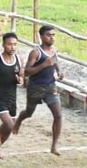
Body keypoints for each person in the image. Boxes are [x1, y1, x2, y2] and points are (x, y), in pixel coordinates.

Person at [13, 25, 64, 155]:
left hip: (50, 87)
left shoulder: (53, 50)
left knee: (58, 115)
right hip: (35, 87)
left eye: (53, 35)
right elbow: (27, 72)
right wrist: (44, 65)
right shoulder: (36, 52)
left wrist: (59, 71)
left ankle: (54, 145)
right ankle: (19, 119)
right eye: (48, 35)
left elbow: (55, 60)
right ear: (41, 37)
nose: (51, 37)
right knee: (29, 112)